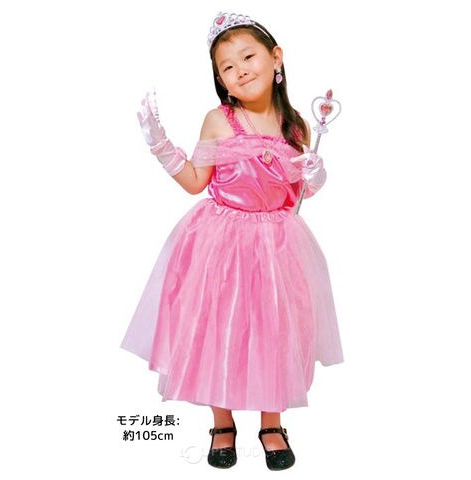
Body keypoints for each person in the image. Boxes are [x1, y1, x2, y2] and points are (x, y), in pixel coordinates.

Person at [120, 11, 344, 471]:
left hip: (277, 245)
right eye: (227, 66)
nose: (240, 70)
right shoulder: (219, 121)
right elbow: (195, 181)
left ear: (276, 58)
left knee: (275, 328)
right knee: (216, 326)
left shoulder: (297, 127)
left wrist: (315, 175)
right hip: (220, 241)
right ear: (220, 80)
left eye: (248, 56)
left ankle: (272, 421)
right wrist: (160, 145)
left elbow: (297, 193)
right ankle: (221, 421)